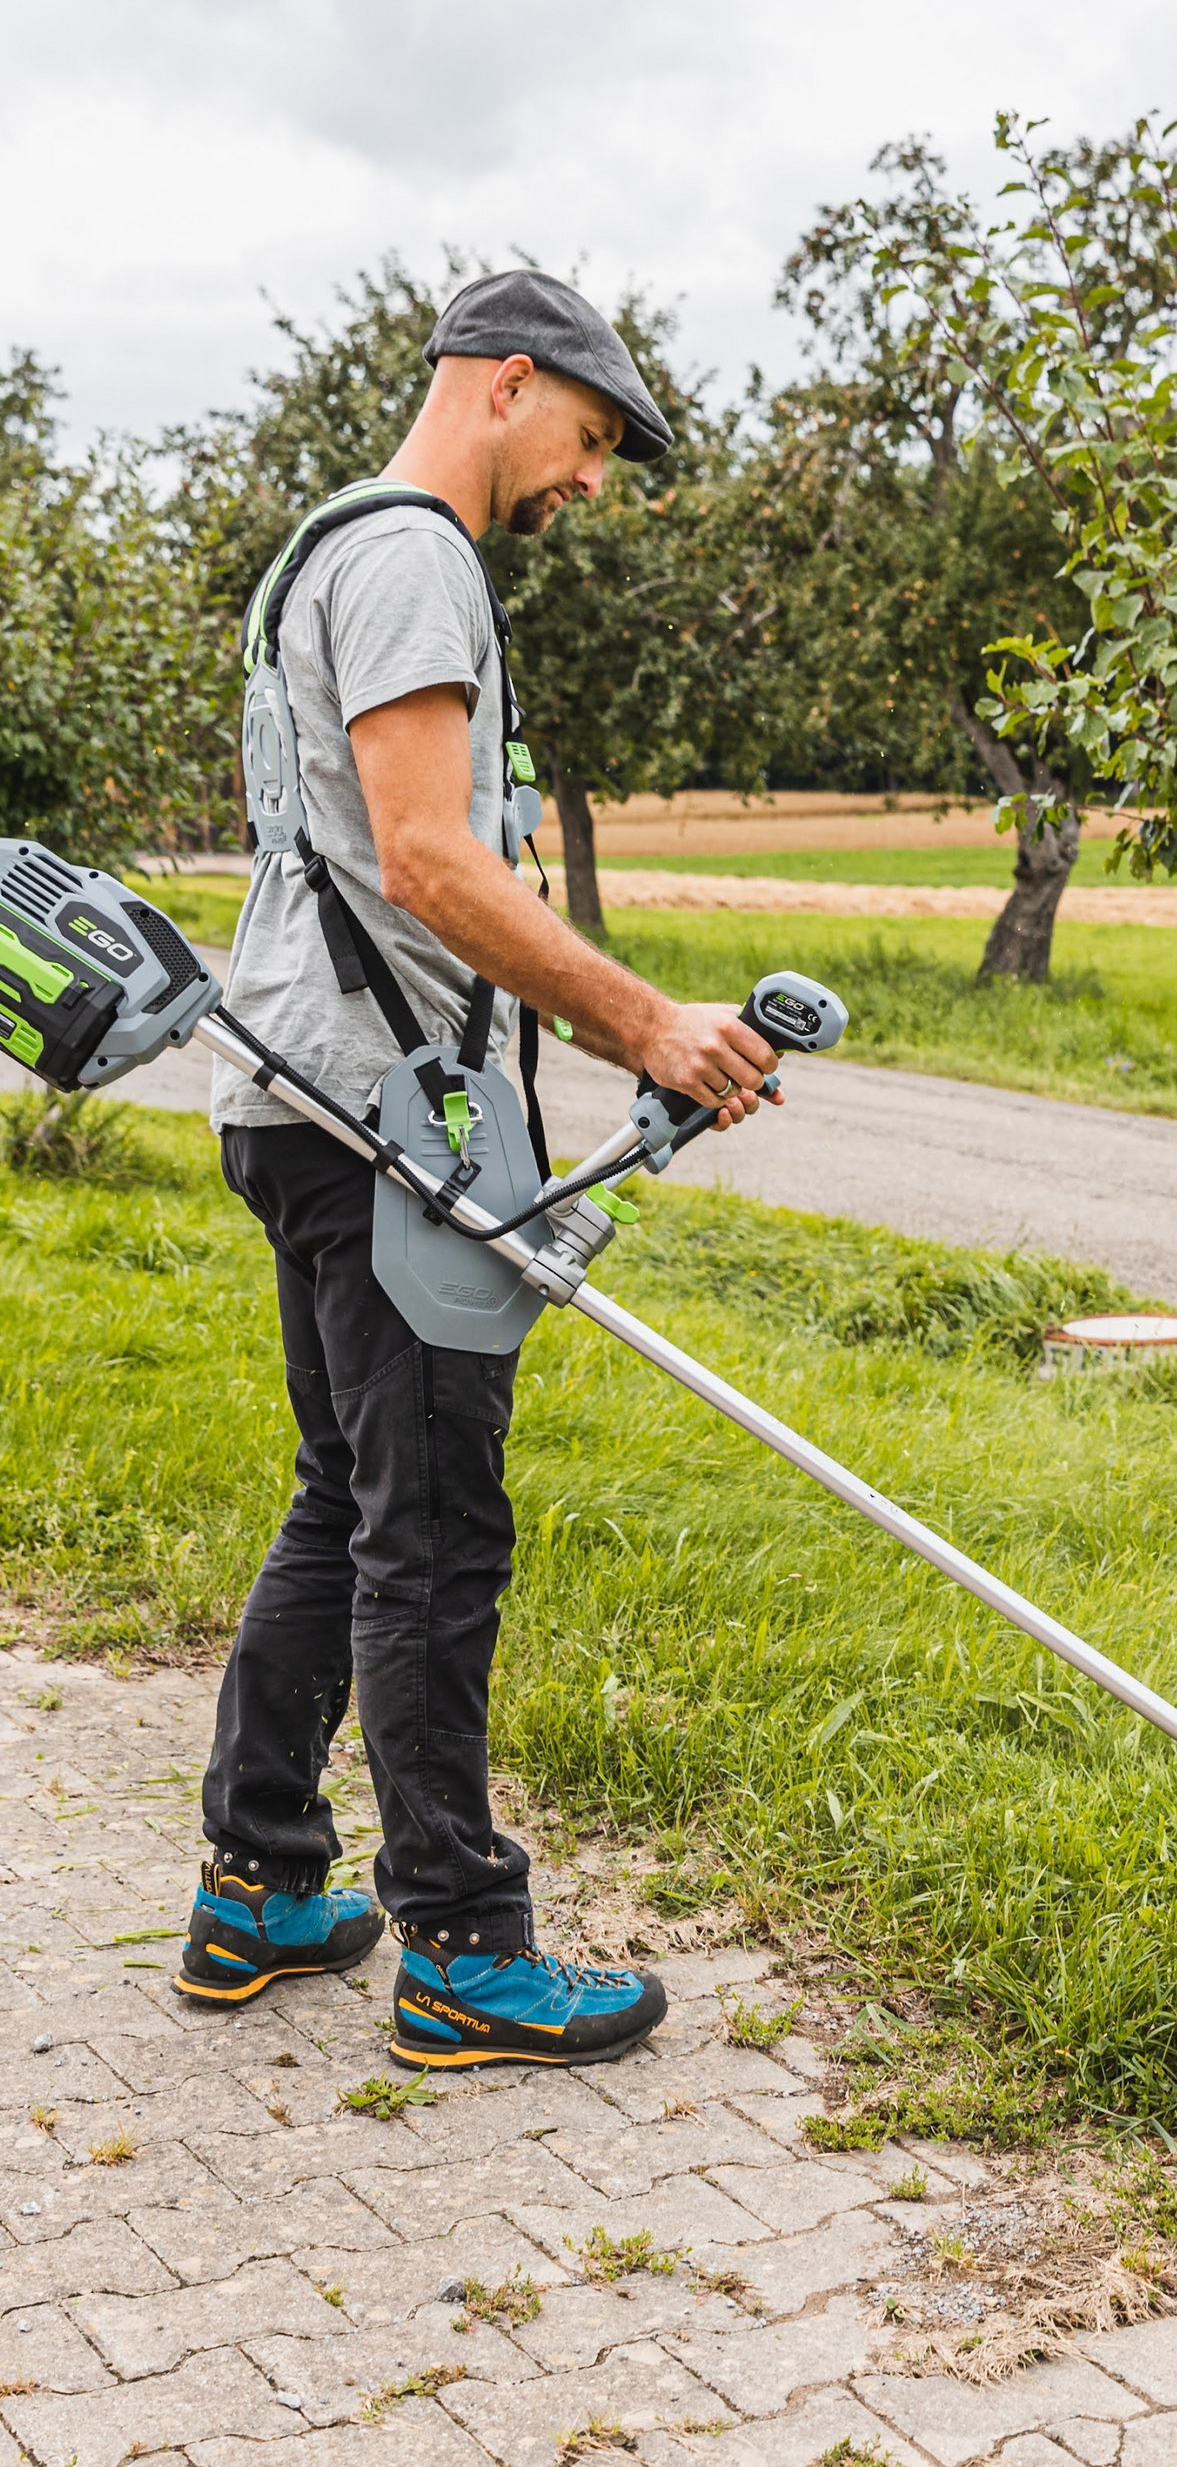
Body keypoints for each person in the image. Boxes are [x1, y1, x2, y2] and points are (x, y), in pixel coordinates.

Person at [175, 270, 778, 2071]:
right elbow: (433, 860)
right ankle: (460, 1943)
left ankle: (264, 1887)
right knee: (429, 1529)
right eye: (588, 441)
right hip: (375, 1125)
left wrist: (600, 1030)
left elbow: (390, 865)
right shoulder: (418, 555)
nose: (588, 482)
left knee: (339, 1497)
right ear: (508, 385)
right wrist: (648, 1023)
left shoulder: (324, 551)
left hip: (295, 1099)